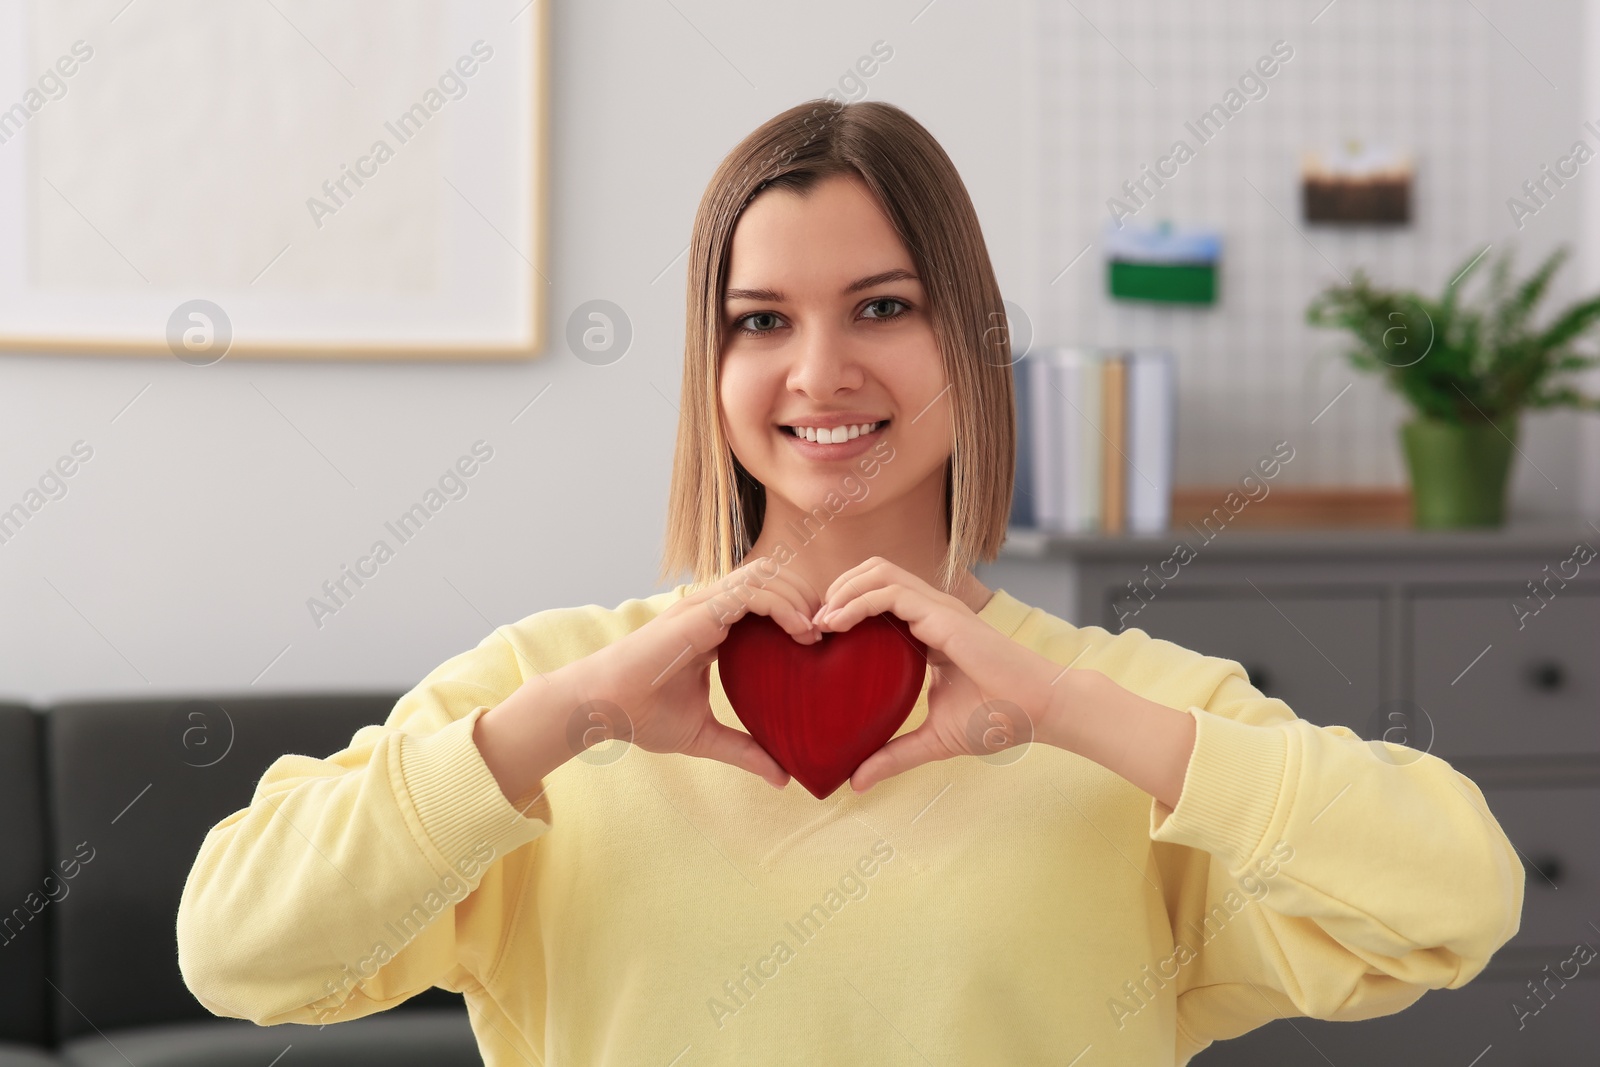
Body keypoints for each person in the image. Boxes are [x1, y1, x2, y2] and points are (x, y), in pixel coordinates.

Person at [176, 98, 1524, 1065]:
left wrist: (1064, 712)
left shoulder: (1119, 708)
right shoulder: (548, 693)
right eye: (760, 321)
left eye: (884, 306)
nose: (819, 371)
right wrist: (570, 720)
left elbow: (1458, 900)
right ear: (711, 370)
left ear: (969, 339)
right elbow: (237, 950)